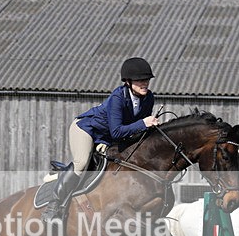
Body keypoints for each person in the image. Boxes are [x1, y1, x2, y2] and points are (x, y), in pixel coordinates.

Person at [41, 57, 160, 224]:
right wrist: (143, 123)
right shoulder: (118, 97)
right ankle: (53, 205)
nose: (145, 83)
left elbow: (136, 129)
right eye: (140, 80)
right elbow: (119, 130)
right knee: (82, 163)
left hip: (108, 136)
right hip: (86, 129)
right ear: (128, 81)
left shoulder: (148, 98)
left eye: (146, 80)